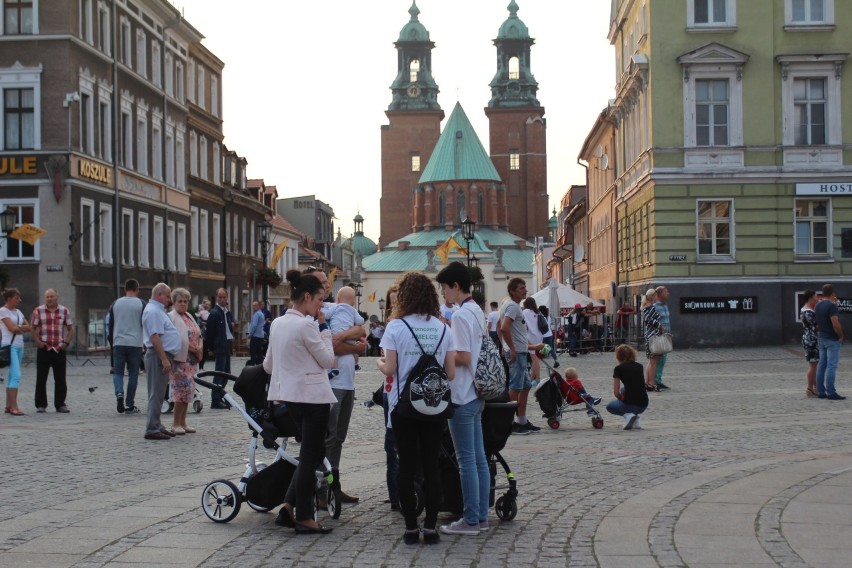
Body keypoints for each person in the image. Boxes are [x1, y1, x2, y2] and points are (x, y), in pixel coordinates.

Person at [377, 271, 455, 545]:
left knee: (407, 467)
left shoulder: (395, 328)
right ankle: (431, 527)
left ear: (405, 297)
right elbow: (451, 374)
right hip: (434, 405)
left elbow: (390, 368)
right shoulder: (444, 328)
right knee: (432, 466)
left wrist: (379, 363)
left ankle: (411, 527)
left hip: (404, 406)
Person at [265, 269, 337, 535]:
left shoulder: (277, 323)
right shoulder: (307, 325)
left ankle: (288, 505)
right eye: (319, 300)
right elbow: (328, 360)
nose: (321, 306)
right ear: (306, 296)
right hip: (313, 399)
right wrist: (325, 329)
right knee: (309, 458)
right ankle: (305, 517)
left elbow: (268, 365)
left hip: (289, 398)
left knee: (312, 453)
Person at [436, 262, 489, 536]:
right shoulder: (476, 310)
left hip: (463, 394)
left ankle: (469, 519)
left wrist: (443, 352)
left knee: (466, 460)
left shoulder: (459, 315)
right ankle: (480, 516)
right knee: (479, 459)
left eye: (444, 288)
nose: (443, 293)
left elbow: (464, 357)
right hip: (478, 393)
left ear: (455, 286)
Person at [324, 285, 366, 503]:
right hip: (334, 383)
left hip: (348, 383)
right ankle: (323, 489)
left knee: (339, 437)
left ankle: (335, 486)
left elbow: (362, 332)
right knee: (329, 437)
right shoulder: (329, 309)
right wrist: (355, 347)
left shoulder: (348, 312)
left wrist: (345, 336)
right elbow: (333, 348)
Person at [499, 277, 541, 434]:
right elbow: (504, 328)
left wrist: (504, 346)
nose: (525, 290)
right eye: (521, 288)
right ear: (512, 291)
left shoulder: (511, 306)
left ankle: (521, 420)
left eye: (524, 287)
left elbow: (499, 326)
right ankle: (507, 423)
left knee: (526, 386)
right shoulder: (512, 307)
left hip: (519, 350)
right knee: (515, 387)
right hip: (517, 352)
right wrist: (511, 348)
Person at [142, 283, 181, 440]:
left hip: (162, 355)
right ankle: (152, 428)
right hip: (158, 356)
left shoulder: (158, 311)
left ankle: (157, 424)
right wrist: (164, 359)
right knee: (156, 393)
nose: (169, 299)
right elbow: (154, 337)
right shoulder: (153, 312)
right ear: (159, 295)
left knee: (158, 393)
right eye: (167, 296)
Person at [31, 289, 74, 413]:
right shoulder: (38, 311)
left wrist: (66, 342)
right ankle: (41, 404)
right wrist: (37, 342)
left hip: (59, 348)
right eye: (47, 297)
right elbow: (32, 328)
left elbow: (70, 329)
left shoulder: (64, 311)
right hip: (44, 347)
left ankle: (60, 404)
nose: (49, 299)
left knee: (60, 378)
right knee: (41, 377)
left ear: (57, 297)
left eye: (52, 296)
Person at [167, 288, 203, 435]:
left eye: (185, 301)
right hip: (180, 360)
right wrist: (191, 347)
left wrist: (199, 347)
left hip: (192, 360)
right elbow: (173, 338)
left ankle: (183, 422)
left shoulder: (189, 316)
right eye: (180, 301)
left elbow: (199, 335)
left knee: (188, 391)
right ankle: (176, 423)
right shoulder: (172, 317)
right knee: (179, 392)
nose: (183, 304)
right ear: (174, 302)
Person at [110, 279, 145, 414]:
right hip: (135, 343)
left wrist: (111, 342)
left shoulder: (116, 304)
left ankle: (119, 393)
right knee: (133, 374)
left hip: (118, 342)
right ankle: (129, 404)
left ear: (125, 289)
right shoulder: (141, 304)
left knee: (118, 372)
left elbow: (111, 324)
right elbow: (145, 323)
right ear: (137, 289)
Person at [1, 288, 31, 416]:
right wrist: (21, 328)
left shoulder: (18, 311)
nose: (19, 300)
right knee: (16, 375)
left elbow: (29, 327)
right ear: (9, 299)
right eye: (17, 298)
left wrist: (20, 328)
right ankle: (14, 406)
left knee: (12, 376)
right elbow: (12, 329)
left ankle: (8, 405)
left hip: (20, 346)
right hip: (10, 346)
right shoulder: (3, 311)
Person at [606, 344, 649, 430]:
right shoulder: (639, 366)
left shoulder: (618, 369)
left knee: (610, 406)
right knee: (624, 389)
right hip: (644, 404)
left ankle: (628, 415)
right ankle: (635, 418)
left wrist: (622, 398)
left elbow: (616, 393)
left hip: (630, 404)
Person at [815, 283, 846, 400]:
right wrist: (841, 335)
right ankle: (831, 392)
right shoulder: (832, 306)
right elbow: (835, 323)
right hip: (832, 339)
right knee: (831, 366)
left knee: (821, 365)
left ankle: (821, 392)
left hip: (821, 337)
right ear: (833, 293)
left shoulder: (818, 305)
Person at [206, 288, 235, 409]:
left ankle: (221, 395)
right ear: (217, 298)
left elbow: (230, 327)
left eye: (224, 297)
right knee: (219, 374)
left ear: (227, 297)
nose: (222, 299)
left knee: (226, 374)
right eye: (220, 297)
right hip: (219, 346)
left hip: (227, 345)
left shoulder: (226, 312)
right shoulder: (214, 313)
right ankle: (215, 399)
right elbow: (210, 332)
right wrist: (210, 348)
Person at [641, 288, 664, 392]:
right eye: (655, 296)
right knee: (654, 361)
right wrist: (659, 325)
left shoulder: (645, 306)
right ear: (652, 297)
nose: (656, 297)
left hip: (649, 335)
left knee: (651, 361)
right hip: (653, 336)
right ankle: (652, 383)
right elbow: (650, 320)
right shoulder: (650, 307)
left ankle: (648, 382)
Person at [800, 290, 819, 398]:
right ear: (810, 298)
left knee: (813, 364)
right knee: (813, 365)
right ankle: (810, 388)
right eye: (815, 297)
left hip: (807, 337)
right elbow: (816, 327)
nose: (816, 298)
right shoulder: (809, 312)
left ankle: (815, 387)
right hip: (812, 339)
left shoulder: (804, 309)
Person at [652, 286, 671, 389]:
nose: (668, 293)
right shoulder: (654, 307)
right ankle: (655, 381)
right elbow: (652, 321)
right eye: (666, 292)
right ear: (659, 294)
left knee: (663, 359)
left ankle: (659, 380)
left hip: (666, 335)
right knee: (658, 359)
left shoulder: (665, 306)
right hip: (658, 336)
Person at [522, 297, 544, 386]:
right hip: (539, 335)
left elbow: (523, 324)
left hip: (530, 336)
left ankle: (537, 378)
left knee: (534, 359)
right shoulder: (538, 312)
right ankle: (531, 378)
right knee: (534, 358)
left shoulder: (525, 312)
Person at [248, 301, 266, 365]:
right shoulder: (262, 314)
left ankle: (252, 367)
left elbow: (254, 325)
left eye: (255, 305)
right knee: (259, 354)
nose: (253, 307)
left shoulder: (257, 314)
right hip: (260, 336)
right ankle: (260, 367)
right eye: (253, 305)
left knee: (253, 353)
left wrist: (250, 334)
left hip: (255, 336)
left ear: (258, 306)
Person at [195, 298, 211, 370]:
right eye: (206, 304)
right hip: (201, 334)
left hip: (207, 334)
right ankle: (200, 366)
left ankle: (202, 366)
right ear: (203, 304)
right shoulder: (200, 313)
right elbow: (198, 323)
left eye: (208, 304)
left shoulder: (208, 313)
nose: (207, 306)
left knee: (205, 351)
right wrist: (204, 323)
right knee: (201, 350)